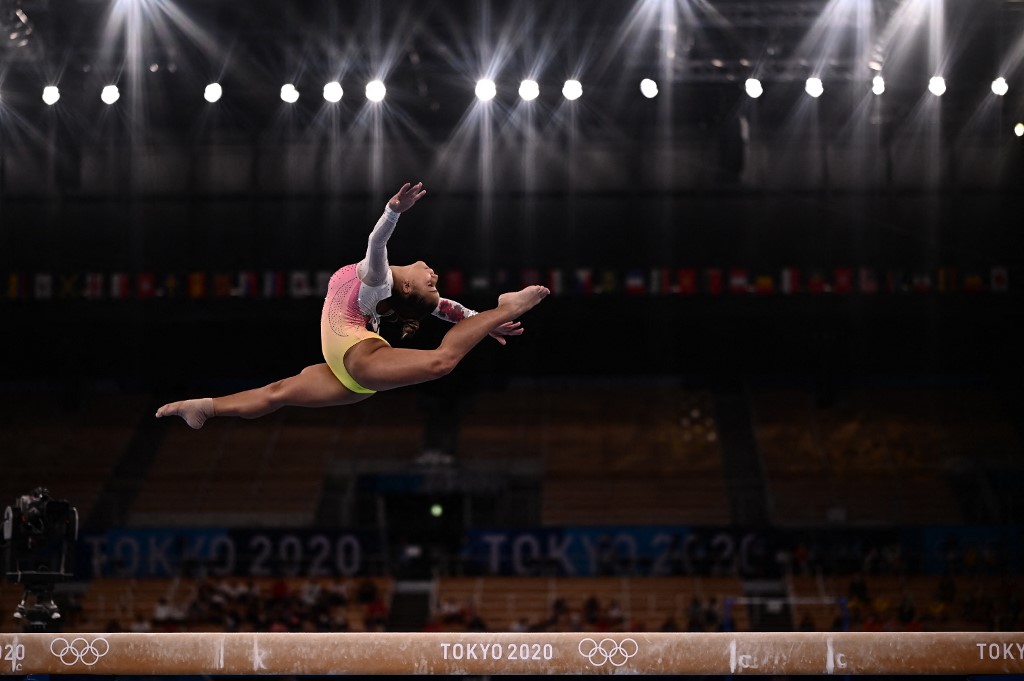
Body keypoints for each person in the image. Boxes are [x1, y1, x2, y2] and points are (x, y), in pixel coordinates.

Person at [156, 182, 549, 429]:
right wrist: (479, 320)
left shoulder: (377, 276)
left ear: (407, 284)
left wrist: (392, 211)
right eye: (434, 282)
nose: (434, 275)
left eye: (431, 282)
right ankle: (205, 407)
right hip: (348, 374)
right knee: (276, 393)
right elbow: (447, 309)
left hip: (357, 360)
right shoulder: (384, 290)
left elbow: (377, 244)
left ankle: (507, 306)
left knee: (440, 363)